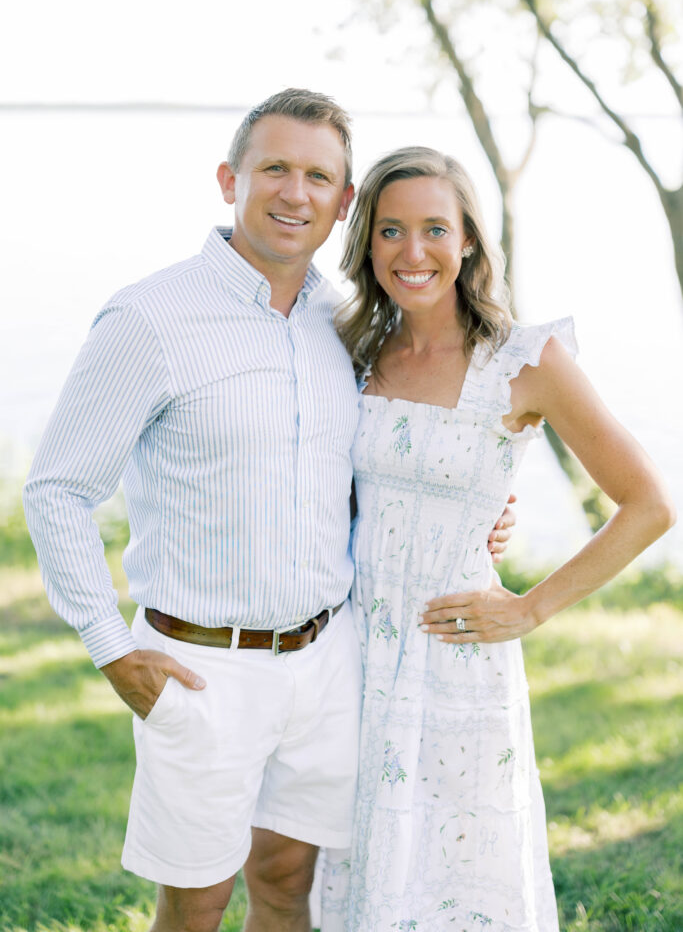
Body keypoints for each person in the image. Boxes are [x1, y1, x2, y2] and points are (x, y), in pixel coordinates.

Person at [22, 91, 514, 932]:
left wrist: (478, 514)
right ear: (230, 180)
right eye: (275, 168)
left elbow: (365, 466)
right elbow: (58, 489)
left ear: (343, 200)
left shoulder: (343, 321)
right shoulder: (150, 317)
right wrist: (112, 648)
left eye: (318, 176)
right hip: (202, 666)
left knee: (289, 884)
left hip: (327, 658)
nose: (295, 193)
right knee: (198, 903)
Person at [318, 146, 675, 932]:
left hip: (457, 657)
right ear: (366, 243)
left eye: (434, 229)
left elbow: (647, 504)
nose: (412, 251)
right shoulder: (350, 350)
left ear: (469, 239)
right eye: (389, 230)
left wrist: (529, 607)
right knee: (361, 871)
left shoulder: (523, 360)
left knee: (458, 879)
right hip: (352, 654)